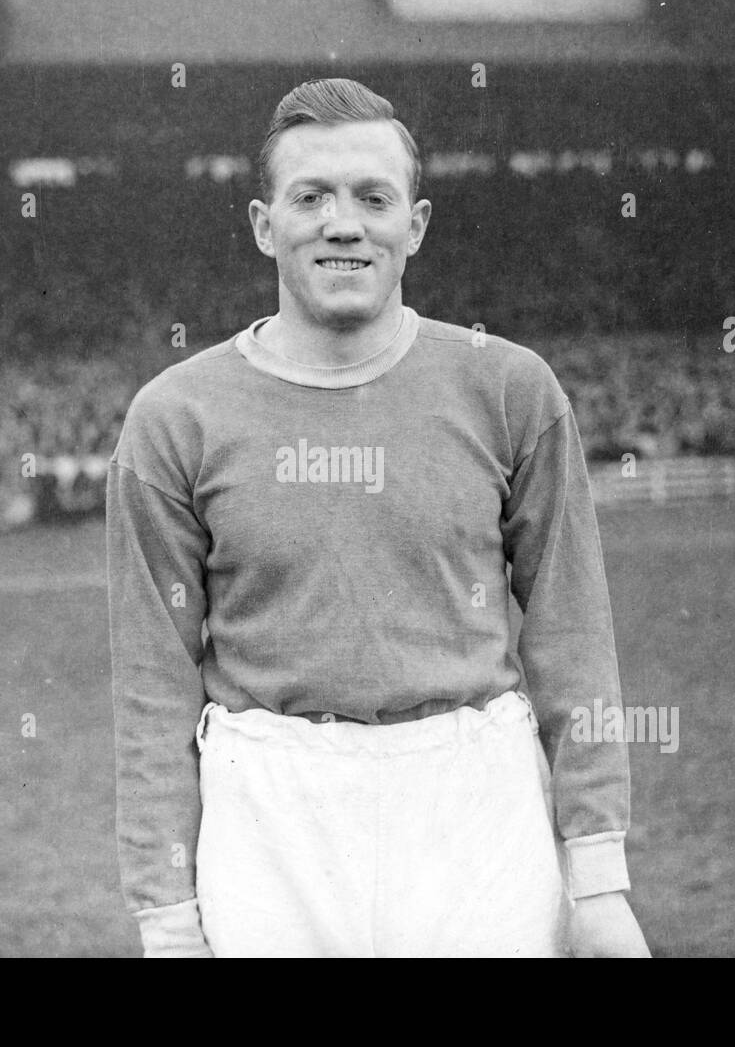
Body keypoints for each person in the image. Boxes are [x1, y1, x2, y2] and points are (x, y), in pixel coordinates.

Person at [106, 78, 650, 958]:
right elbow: (151, 683)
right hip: (268, 812)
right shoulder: (174, 417)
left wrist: (597, 880)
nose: (342, 222)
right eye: (310, 196)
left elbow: (574, 636)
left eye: (373, 197)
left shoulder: (510, 389)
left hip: (476, 803)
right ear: (262, 223)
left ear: (417, 224)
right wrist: (168, 920)